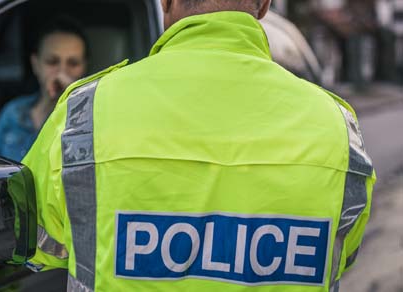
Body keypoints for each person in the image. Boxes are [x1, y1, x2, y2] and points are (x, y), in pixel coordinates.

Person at [22, 1, 375, 291]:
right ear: (264, 5)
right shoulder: (337, 129)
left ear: (165, 2)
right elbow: (342, 252)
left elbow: (32, 241)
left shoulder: (85, 115)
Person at [0, 17, 88, 161]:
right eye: (52, 62)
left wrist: (73, 98)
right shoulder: (13, 111)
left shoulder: (90, 120)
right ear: (35, 64)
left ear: (84, 67)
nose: (62, 73)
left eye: (73, 63)